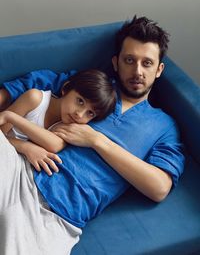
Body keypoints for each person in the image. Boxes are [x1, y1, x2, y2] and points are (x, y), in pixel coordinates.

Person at [0, 16, 185, 255]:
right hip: (20, 172)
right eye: (129, 60)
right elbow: (40, 83)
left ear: (159, 69)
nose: (137, 71)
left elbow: (159, 187)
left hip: (59, 219)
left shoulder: (164, 126)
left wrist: (97, 141)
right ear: (116, 63)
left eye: (147, 63)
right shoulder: (97, 88)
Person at [0, 69, 117, 176]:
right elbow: (2, 133)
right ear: (65, 89)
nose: (79, 114)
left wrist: (12, 118)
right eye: (80, 101)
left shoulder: (68, 125)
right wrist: (25, 146)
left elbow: (55, 145)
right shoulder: (35, 98)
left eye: (90, 113)